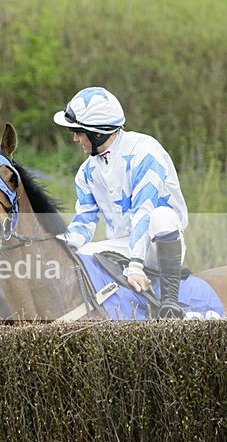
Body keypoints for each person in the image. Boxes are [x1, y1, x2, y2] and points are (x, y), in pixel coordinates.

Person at [53, 87, 189, 318]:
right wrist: (58, 244)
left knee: (161, 217)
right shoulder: (86, 171)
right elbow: (84, 220)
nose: (75, 138)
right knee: (83, 254)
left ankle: (170, 303)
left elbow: (144, 212)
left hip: (158, 242)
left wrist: (135, 266)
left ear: (97, 133)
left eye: (78, 132)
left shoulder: (145, 152)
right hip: (121, 244)